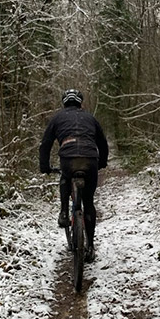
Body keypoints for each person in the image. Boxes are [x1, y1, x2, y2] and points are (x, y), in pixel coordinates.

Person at [39, 89, 109, 263]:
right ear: (80, 103)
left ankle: (64, 212)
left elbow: (45, 144)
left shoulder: (57, 118)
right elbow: (103, 143)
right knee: (89, 202)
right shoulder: (90, 118)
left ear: (64, 103)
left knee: (65, 177)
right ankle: (90, 247)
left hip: (68, 158)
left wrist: (45, 167)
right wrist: (102, 162)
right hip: (90, 159)